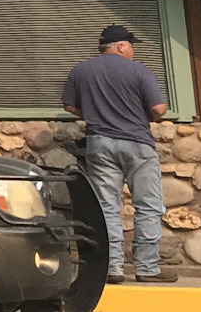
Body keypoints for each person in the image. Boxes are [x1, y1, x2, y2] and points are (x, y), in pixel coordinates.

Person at [62, 23, 176, 284]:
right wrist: (142, 116)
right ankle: (147, 268)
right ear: (122, 46)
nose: (132, 50)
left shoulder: (81, 70)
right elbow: (159, 108)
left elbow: (69, 105)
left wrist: (93, 115)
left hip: (99, 144)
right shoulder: (138, 70)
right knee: (147, 205)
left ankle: (112, 268)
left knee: (107, 208)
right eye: (131, 45)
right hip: (137, 143)